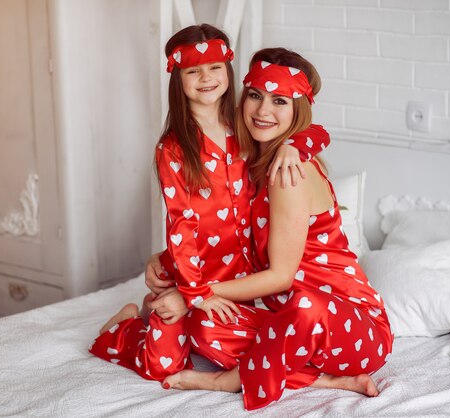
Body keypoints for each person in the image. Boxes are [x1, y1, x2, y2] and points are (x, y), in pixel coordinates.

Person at [154, 48, 393, 410]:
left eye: (279, 100)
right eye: (255, 95)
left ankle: (228, 381)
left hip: (352, 328)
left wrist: (195, 292)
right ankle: (324, 379)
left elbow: (282, 277)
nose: (263, 111)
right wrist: (163, 263)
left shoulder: (288, 175)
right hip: (284, 316)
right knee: (206, 327)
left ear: (297, 110)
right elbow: (222, 231)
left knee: (305, 304)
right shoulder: (256, 159)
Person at [89, 25, 330, 382]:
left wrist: (296, 145)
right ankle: (125, 326)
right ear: (178, 78)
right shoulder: (172, 149)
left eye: (215, 67)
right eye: (193, 71)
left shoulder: (246, 123)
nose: (206, 78)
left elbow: (315, 129)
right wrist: (194, 293)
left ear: (228, 71)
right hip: (195, 276)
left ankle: (158, 315)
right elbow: (181, 224)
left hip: (241, 276)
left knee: (249, 343)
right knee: (162, 368)